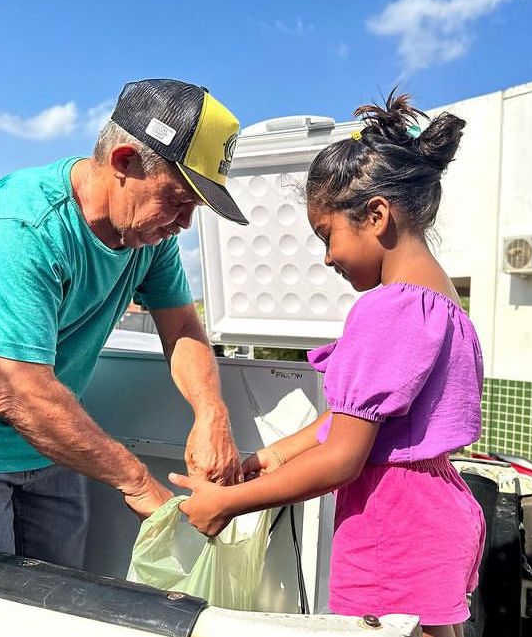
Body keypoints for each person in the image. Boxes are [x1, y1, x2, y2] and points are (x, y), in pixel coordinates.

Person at [0, 78, 247, 569]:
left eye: (193, 209)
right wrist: (139, 484)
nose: (183, 224)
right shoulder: (21, 227)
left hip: (53, 433)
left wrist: (211, 413)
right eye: (178, 200)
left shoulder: (149, 236)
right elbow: (17, 394)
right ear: (123, 162)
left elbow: (182, 326)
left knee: (59, 599)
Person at [170, 91, 485, 637]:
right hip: (436, 511)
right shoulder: (443, 304)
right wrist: (274, 455)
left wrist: (228, 503)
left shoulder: (387, 310)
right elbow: (350, 423)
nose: (327, 257)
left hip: (393, 522)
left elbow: (342, 458)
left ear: (376, 215)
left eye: (327, 235)